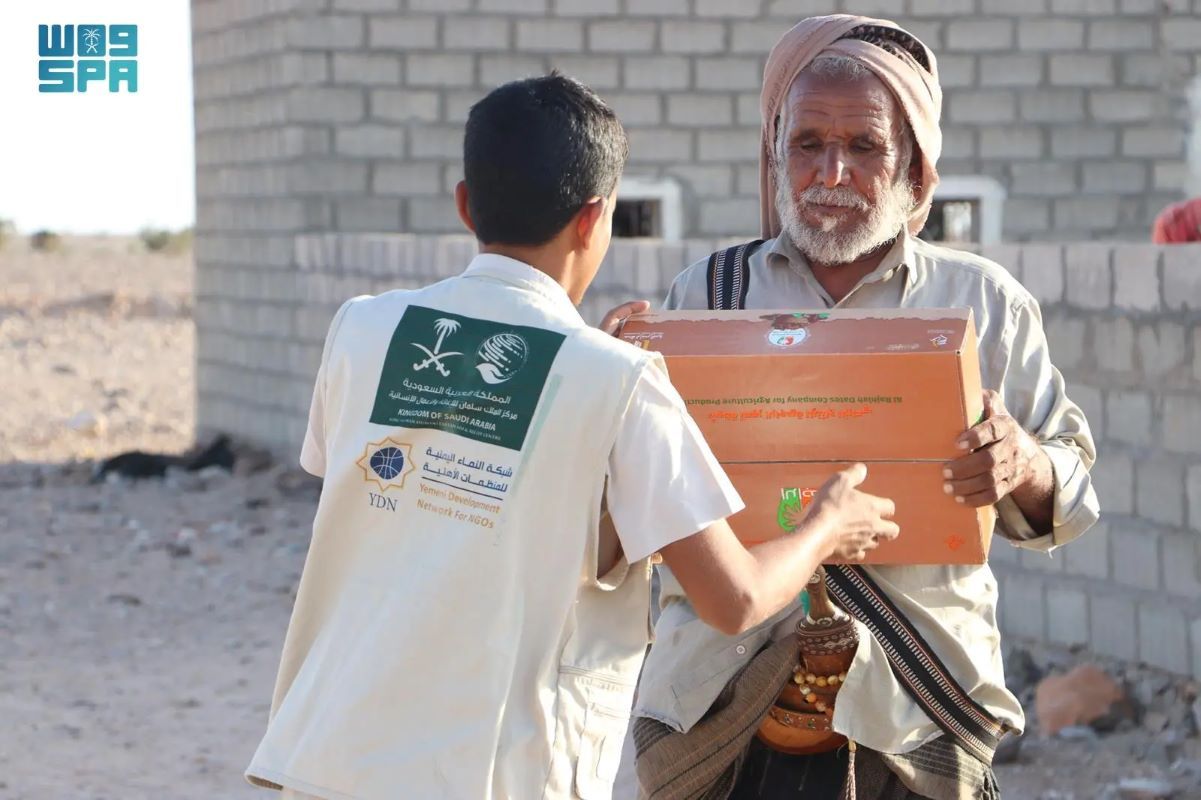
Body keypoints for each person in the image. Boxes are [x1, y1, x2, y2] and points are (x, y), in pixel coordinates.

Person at [243, 73, 898, 800]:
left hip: (333, 755)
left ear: (465, 204)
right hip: (492, 775)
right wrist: (825, 527)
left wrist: (591, 370)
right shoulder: (617, 383)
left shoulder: (362, 328)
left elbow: (444, 469)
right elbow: (735, 600)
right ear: (594, 219)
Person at [628, 16, 1100, 800]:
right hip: (723, 705)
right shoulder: (709, 298)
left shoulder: (982, 303)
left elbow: (1073, 498)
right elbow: (654, 497)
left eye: (865, 148)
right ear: (775, 154)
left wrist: (1021, 463)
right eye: (807, 143)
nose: (831, 173)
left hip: (917, 709)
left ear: (914, 169)